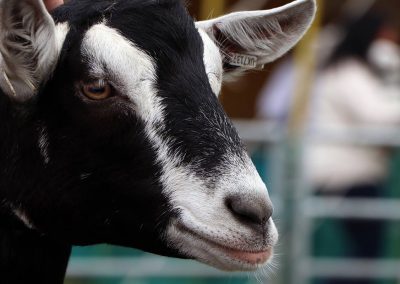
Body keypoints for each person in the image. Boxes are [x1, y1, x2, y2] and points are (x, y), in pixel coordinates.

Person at [306, 11, 400, 284]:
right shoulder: (347, 71)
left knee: (363, 251)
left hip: (353, 174)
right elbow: (377, 115)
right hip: (346, 175)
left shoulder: (347, 70)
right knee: (362, 253)